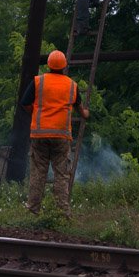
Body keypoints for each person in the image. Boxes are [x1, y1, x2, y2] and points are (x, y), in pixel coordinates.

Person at [19, 49, 89, 217]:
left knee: (38, 172)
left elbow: (25, 104)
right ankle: (62, 213)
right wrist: (87, 114)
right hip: (61, 136)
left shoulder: (38, 82)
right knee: (61, 174)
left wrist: (35, 113)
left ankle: (33, 210)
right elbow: (81, 111)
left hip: (39, 135)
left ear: (48, 65)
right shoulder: (72, 85)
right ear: (64, 66)